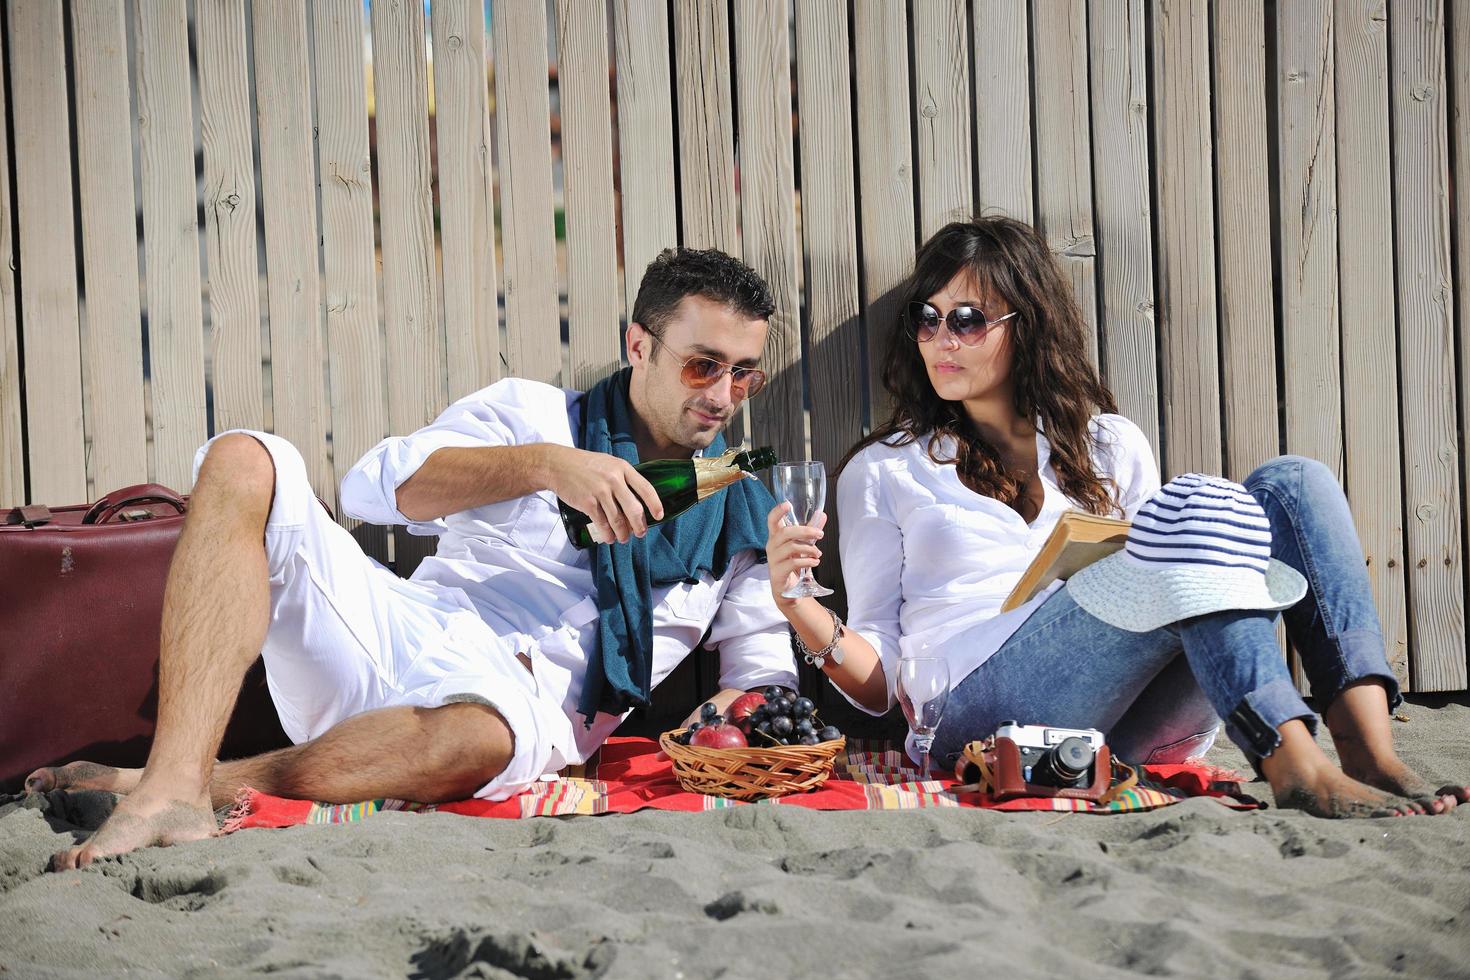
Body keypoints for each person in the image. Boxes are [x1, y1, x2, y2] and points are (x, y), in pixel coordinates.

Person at [34, 247, 799, 868]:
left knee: (483, 738)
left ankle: (207, 780)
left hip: (515, 709)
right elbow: (373, 488)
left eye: (744, 373)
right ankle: (167, 787)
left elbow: (760, 682)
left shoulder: (738, 510)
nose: (724, 395)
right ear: (639, 344)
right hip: (400, 628)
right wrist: (544, 465)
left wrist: (770, 660)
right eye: (704, 365)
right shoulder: (533, 416)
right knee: (244, 458)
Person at [764, 216, 1468, 818]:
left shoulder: (1110, 443)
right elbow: (884, 682)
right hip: (973, 712)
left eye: (968, 320)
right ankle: (1291, 761)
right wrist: (799, 608)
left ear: (1025, 326)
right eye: (928, 317)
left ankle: (1369, 753)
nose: (940, 337)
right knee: (1192, 522)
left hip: (1130, 722)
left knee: (1294, 483)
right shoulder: (887, 469)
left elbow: (1183, 589)